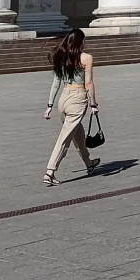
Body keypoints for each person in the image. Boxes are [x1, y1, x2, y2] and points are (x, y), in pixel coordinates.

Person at [43, 28, 100, 186]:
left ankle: (89, 163)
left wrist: (50, 105)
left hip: (63, 99)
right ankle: (50, 171)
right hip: (77, 98)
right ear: (80, 42)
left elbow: (56, 83)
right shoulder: (86, 58)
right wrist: (93, 104)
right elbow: (88, 83)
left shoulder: (61, 56)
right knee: (65, 138)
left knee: (78, 134)